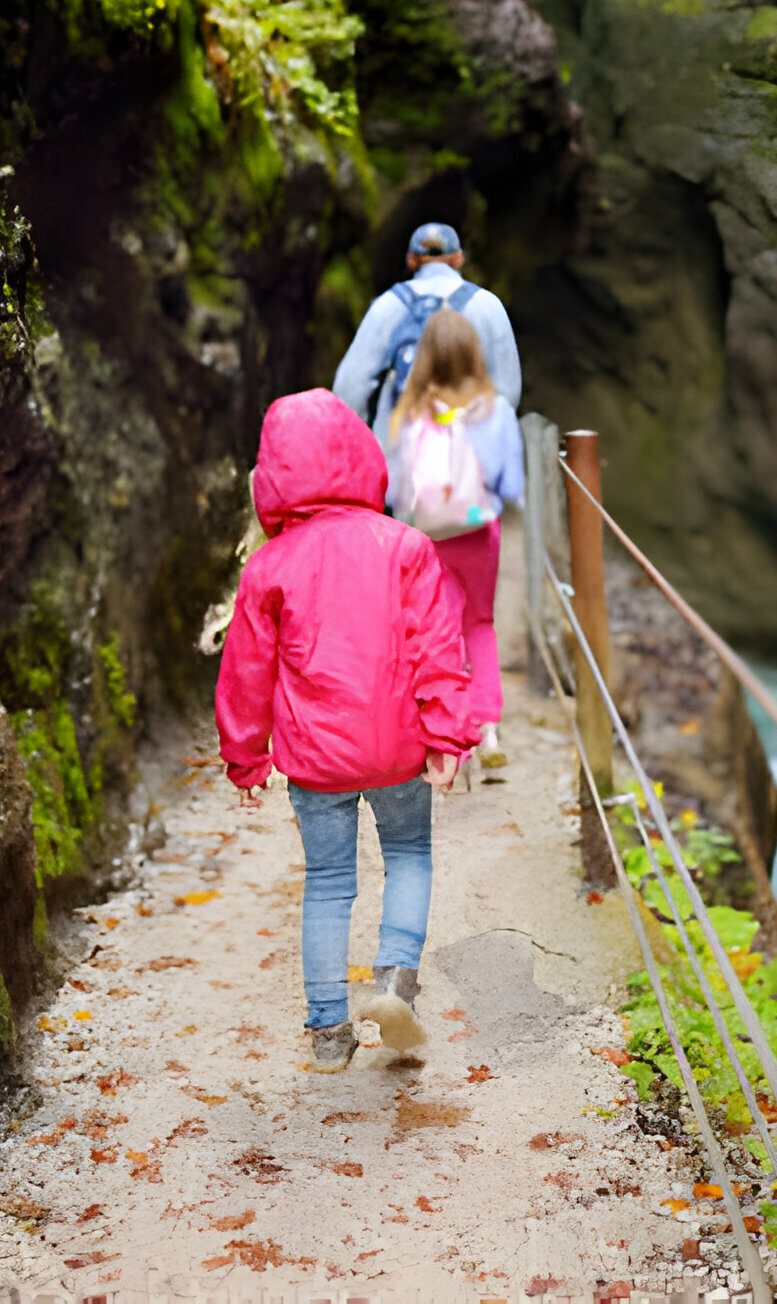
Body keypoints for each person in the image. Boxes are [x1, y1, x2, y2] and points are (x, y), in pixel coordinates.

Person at [215, 388, 479, 1072]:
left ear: (270, 477)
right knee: (410, 857)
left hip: (314, 758)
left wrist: (245, 758)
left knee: (329, 882)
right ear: (364, 458)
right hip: (398, 747)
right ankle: (394, 983)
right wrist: (448, 736)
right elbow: (437, 647)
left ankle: (329, 1032)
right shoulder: (408, 548)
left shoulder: (268, 567)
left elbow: (246, 673)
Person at [384, 307, 525, 765]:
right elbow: (511, 486)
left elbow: (400, 489)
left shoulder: (413, 412)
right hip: (480, 531)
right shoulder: (496, 409)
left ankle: (451, 737)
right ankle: (489, 729)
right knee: (479, 623)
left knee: (442, 629)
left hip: (432, 537)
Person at [332, 221, 522, 441]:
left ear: (411, 260)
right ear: (458, 258)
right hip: (467, 457)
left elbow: (349, 388)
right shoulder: (487, 305)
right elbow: (508, 393)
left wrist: (364, 444)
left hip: (400, 456)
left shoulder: (389, 305)